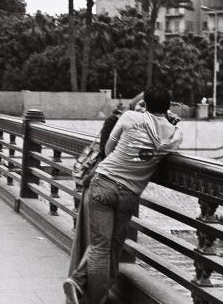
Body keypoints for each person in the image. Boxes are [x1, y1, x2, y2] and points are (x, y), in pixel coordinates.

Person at [64, 88, 183, 304]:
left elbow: (109, 149)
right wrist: (170, 123)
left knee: (100, 247)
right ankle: (89, 294)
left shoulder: (129, 117)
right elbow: (169, 148)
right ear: (169, 107)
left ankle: (81, 286)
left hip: (103, 183)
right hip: (129, 193)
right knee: (113, 245)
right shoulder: (174, 134)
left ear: (146, 102)